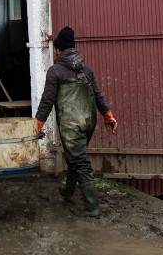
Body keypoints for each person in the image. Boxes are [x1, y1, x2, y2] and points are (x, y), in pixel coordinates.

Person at [34, 26, 118, 218]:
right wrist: (108, 115)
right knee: (76, 157)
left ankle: (92, 207)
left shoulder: (55, 71)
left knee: (80, 162)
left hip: (71, 126)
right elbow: (98, 95)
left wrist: (37, 125)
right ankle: (68, 192)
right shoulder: (86, 69)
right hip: (88, 123)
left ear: (58, 50)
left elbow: (47, 101)